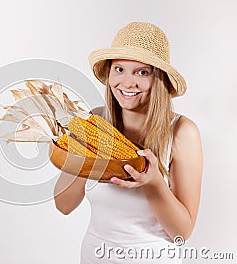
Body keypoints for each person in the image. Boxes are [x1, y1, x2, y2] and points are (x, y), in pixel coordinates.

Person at [54, 22, 203, 263]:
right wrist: (88, 157)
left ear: (159, 79)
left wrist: (153, 182)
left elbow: (182, 233)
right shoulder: (95, 119)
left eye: (142, 72)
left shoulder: (182, 132)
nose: (127, 83)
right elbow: (63, 205)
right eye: (119, 69)